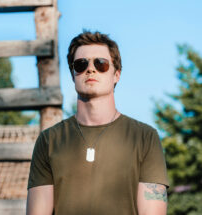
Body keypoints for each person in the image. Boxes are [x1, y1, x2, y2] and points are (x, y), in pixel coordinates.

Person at [26, 31, 169, 215]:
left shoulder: (144, 137)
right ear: (73, 74)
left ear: (116, 74)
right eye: (81, 64)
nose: (90, 69)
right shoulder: (49, 140)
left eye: (101, 64)